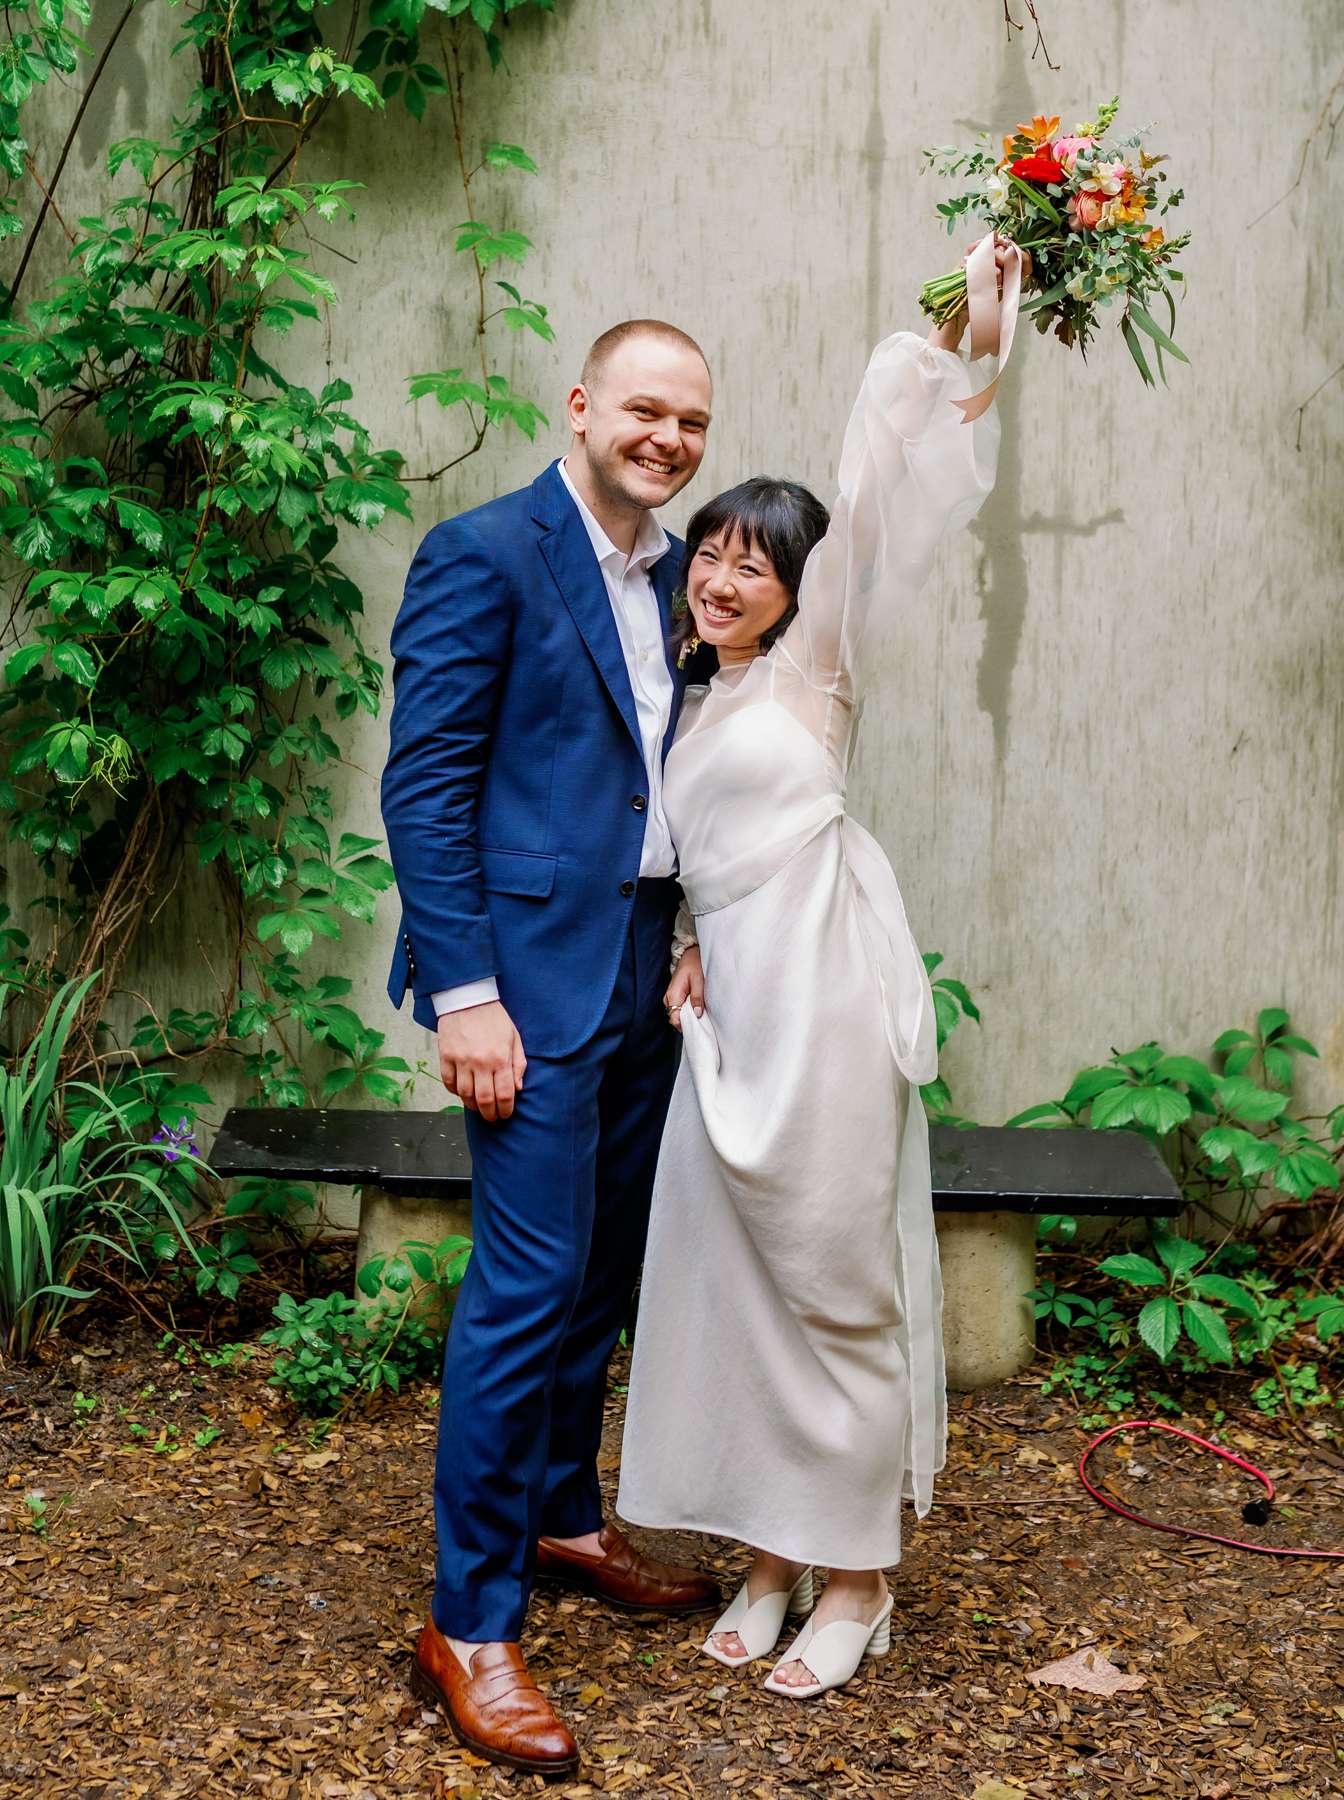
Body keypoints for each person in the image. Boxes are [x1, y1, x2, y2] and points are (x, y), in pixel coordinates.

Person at [617, 239, 1025, 1700]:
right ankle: (772, 1552)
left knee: (834, 1283)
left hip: (828, 1013)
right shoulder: (696, 698)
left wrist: (965, 345)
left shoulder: (816, 669)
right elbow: (705, 853)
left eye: (757, 562)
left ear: (799, 590)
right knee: (739, 1289)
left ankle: (858, 1575)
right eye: (711, 552)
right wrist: (686, 945)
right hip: (730, 1022)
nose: (724, 577)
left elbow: (879, 484)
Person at [380, 319, 722, 1778]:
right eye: (644, 409)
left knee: (604, 1271)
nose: (667, 439)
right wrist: (464, 993)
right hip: (522, 983)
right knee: (524, 1290)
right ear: (580, 405)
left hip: (643, 969)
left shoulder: (684, 576)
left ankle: (563, 1515)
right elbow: (424, 785)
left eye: (690, 421)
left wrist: (693, 930)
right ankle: (468, 1621)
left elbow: (672, 775)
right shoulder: (485, 552)